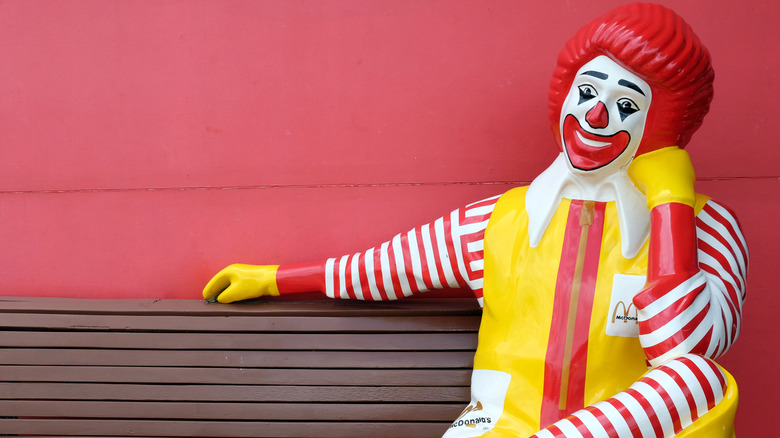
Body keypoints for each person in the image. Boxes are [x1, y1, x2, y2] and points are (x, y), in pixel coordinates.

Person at [203, 4, 747, 437]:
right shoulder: (494, 222)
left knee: (699, 376)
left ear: (660, 126)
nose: (596, 116)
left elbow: (684, 352)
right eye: (586, 92)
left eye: (626, 105)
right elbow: (382, 268)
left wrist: (670, 202)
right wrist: (274, 279)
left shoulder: (707, 227)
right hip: (497, 429)